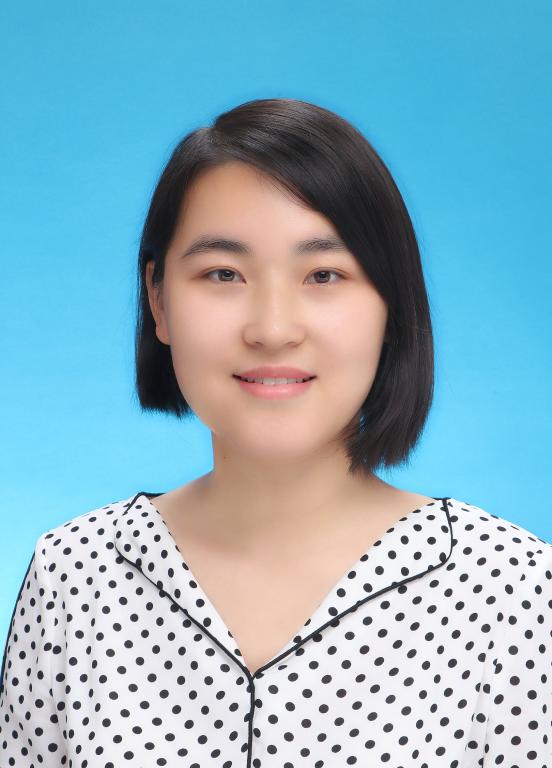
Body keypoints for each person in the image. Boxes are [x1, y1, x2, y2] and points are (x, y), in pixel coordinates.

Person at [1, 97, 550, 767]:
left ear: (392, 305)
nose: (272, 328)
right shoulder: (74, 576)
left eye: (324, 275)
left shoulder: (511, 589)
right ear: (158, 298)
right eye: (223, 274)